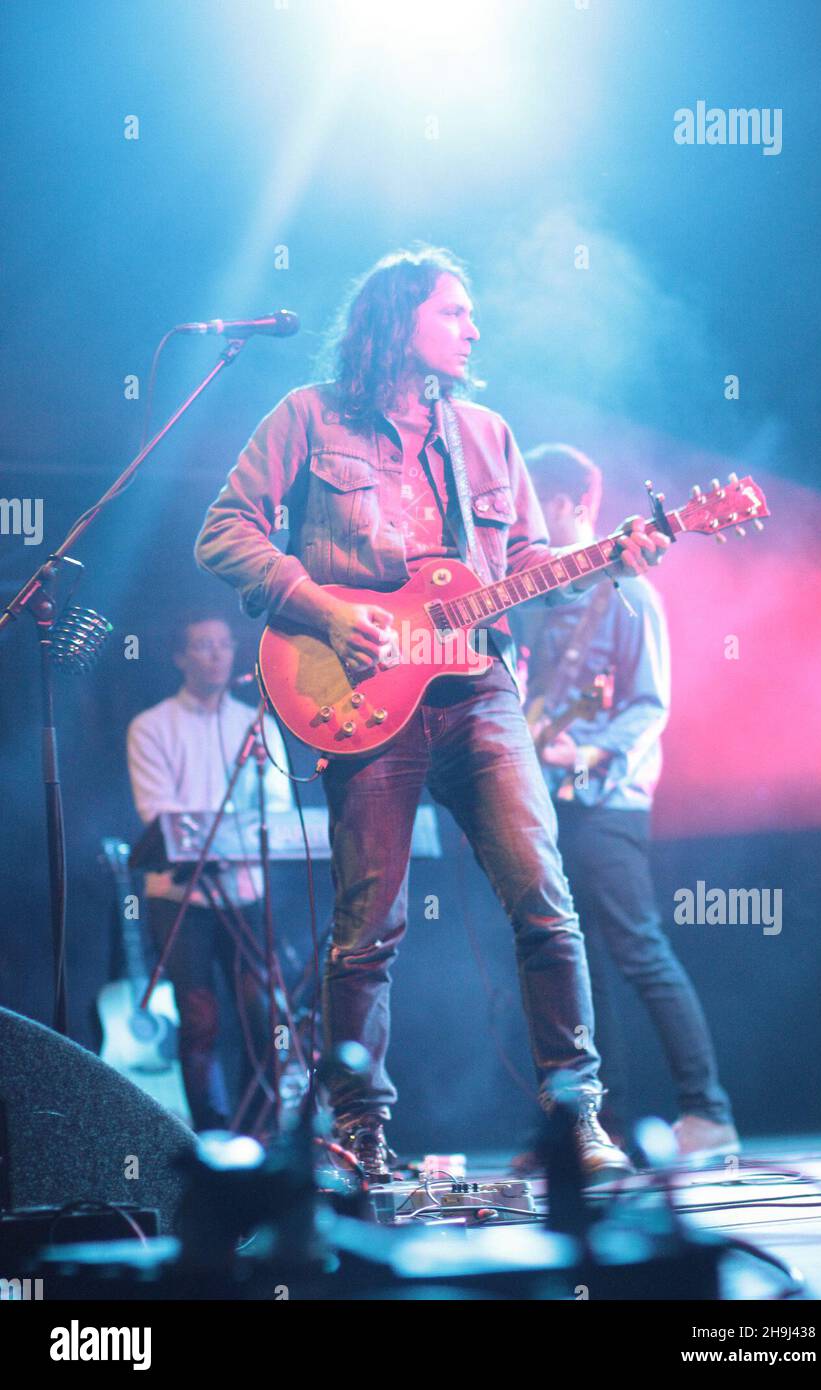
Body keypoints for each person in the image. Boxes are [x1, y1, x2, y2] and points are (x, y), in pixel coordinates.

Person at [193, 245, 669, 1181]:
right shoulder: (308, 417)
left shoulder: (487, 434)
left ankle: (576, 1118)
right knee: (367, 927)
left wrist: (610, 557)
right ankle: (357, 1133)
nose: (474, 328)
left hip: (479, 690)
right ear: (397, 318)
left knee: (545, 899)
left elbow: (526, 565)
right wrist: (328, 611)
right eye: (455, 311)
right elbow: (224, 530)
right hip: (361, 696)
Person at [518, 443, 739, 1160]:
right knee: (568, 959)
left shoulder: (630, 590)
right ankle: (592, 1129)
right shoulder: (538, 590)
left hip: (607, 798)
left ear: (570, 504)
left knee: (639, 948)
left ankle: (708, 1114)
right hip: (548, 798)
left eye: (533, 503)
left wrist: (578, 753)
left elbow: (650, 706)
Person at [126, 609, 291, 1132]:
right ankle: (212, 1138)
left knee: (264, 1018)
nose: (216, 654)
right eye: (203, 645)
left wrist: (228, 838)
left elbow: (280, 806)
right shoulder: (151, 726)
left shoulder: (256, 722)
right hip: (181, 899)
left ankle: (259, 1134)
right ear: (180, 657)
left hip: (245, 892)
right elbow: (161, 818)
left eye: (222, 644)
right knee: (200, 1023)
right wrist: (219, 835)